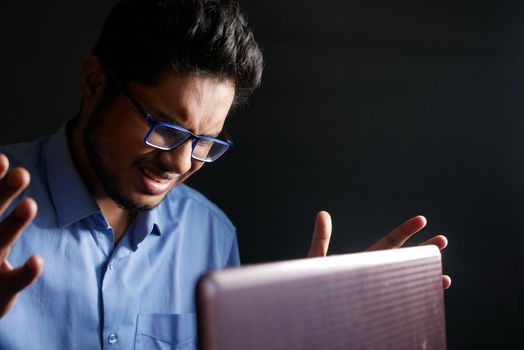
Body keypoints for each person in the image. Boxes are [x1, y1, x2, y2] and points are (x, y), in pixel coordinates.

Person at [0, 0, 450, 348]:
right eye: (166, 129)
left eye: (204, 142)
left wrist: (309, 333)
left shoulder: (209, 234)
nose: (179, 164)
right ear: (95, 84)